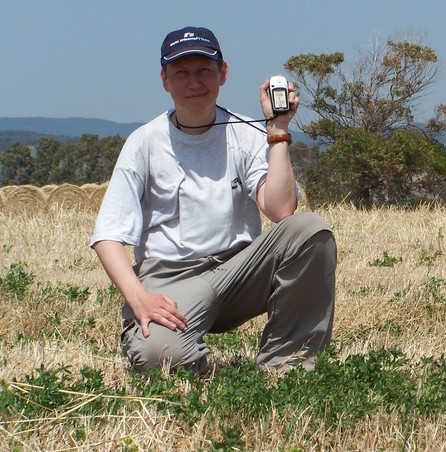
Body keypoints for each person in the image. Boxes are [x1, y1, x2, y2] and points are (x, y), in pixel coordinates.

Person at [90, 26, 336, 374]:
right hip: (171, 279)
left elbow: (281, 210)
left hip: (237, 272)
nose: (194, 83)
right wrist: (139, 299)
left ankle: (288, 365)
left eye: (204, 71)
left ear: (223, 73)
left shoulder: (249, 132)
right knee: (161, 359)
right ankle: (179, 350)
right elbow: (108, 237)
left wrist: (277, 130)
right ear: (164, 80)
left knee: (310, 230)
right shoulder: (143, 143)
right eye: (181, 73)